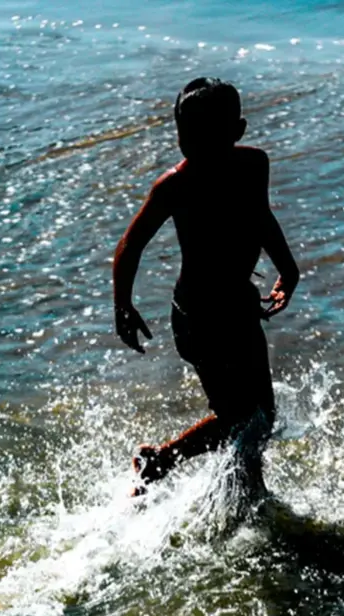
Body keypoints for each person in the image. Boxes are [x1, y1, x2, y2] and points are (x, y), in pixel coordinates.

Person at [112, 77, 299, 498]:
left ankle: (246, 490)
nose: (194, 146)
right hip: (198, 316)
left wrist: (288, 270)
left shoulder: (254, 166)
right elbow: (130, 244)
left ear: (237, 132)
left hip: (240, 306)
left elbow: (261, 217)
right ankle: (165, 462)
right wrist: (123, 305)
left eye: (207, 136)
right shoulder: (174, 186)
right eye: (186, 135)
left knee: (261, 414)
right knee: (236, 414)